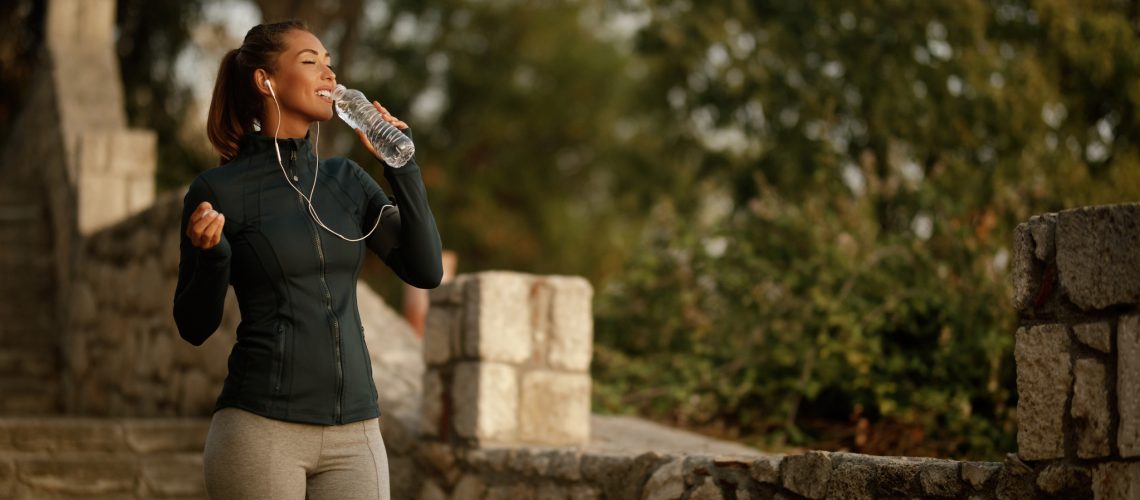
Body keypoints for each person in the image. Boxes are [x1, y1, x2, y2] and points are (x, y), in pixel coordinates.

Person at [172, 20, 442, 500]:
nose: (329, 75)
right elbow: (193, 326)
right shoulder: (219, 190)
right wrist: (212, 257)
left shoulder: (347, 181)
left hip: (356, 434)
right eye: (310, 61)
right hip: (260, 429)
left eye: (330, 64)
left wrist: (402, 166)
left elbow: (425, 270)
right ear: (266, 81)